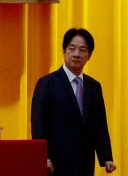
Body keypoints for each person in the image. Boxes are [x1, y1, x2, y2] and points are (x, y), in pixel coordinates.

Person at [31, 28, 116, 175]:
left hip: (85, 162)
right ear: (64, 51)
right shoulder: (46, 83)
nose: (76, 54)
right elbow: (38, 123)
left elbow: (99, 123)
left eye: (82, 50)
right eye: (72, 48)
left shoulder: (94, 86)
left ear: (89, 55)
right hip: (56, 163)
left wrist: (106, 157)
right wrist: (43, 157)